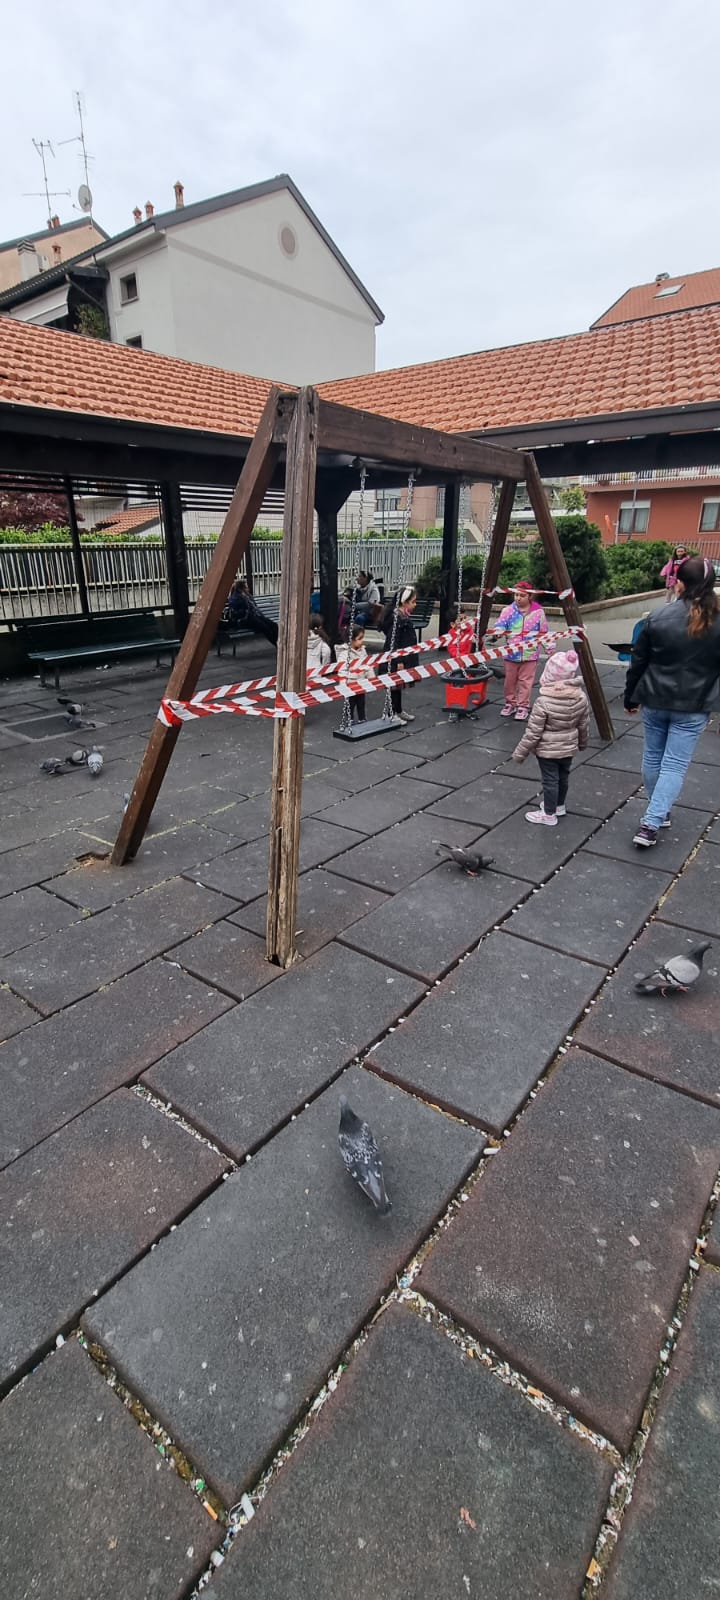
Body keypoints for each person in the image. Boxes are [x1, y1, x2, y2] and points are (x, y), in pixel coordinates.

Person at [624, 555, 720, 848]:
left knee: (653, 757)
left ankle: (658, 815)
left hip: (655, 698)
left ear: (678, 583)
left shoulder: (657, 618)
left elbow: (638, 662)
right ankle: (652, 822)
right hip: (694, 703)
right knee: (674, 765)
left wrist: (631, 696)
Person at [512, 650, 590, 825]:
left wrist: (520, 753)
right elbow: (583, 724)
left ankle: (548, 814)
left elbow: (533, 732)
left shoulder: (543, 702)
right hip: (569, 747)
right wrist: (582, 743)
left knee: (550, 780)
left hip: (548, 749)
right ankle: (559, 806)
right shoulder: (580, 697)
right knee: (563, 777)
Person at [490, 580, 548, 720]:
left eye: (521, 595)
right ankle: (510, 703)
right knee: (509, 681)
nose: (518, 598)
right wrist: (498, 631)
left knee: (526, 682)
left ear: (530, 596)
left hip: (530, 654)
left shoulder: (538, 612)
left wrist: (549, 646)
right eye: (516, 595)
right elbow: (501, 623)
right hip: (511, 653)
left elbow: (544, 631)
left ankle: (523, 705)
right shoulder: (508, 611)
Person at [381, 585, 418, 723]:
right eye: (413, 601)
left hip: (402, 655)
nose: (415, 604)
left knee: (398, 685)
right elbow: (393, 642)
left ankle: (398, 710)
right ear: (404, 602)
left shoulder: (403, 617)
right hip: (397, 658)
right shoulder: (397, 619)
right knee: (393, 685)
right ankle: (391, 713)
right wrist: (399, 660)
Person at [226, 580, 278, 647]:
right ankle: (277, 645)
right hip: (245, 620)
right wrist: (246, 610)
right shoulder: (235, 598)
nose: (248, 588)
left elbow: (254, 607)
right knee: (266, 628)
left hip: (254, 616)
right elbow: (236, 613)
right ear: (240, 588)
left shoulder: (247, 595)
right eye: (246, 587)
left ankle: (278, 642)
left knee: (274, 625)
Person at [340, 622, 369, 723]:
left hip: (361, 681)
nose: (362, 641)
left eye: (362, 638)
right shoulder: (344, 653)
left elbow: (367, 665)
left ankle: (362, 718)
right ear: (351, 640)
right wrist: (343, 684)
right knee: (350, 702)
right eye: (359, 639)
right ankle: (349, 718)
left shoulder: (362, 651)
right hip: (351, 682)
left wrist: (371, 678)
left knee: (361, 702)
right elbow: (342, 670)